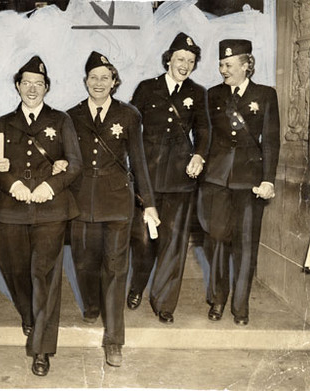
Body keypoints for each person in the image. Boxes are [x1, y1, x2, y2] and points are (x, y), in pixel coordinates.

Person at [0, 55, 82, 376]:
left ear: (46, 88)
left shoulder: (60, 121)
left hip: (50, 210)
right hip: (12, 211)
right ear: (17, 86)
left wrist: (50, 186)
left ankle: (41, 348)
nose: (32, 89)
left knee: (45, 274)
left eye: (38, 84)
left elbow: (75, 163)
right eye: (26, 83)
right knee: (13, 268)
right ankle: (28, 313)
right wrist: (10, 183)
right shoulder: (3, 123)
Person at [67, 51, 159, 367]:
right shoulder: (71, 115)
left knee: (116, 268)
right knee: (83, 262)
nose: (99, 83)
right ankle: (92, 304)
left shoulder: (129, 115)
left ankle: (114, 340)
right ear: (86, 81)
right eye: (93, 77)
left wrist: (148, 204)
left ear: (114, 82)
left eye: (105, 78)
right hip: (81, 202)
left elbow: (140, 161)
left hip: (118, 201)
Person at [126, 32, 210, 324]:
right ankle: (137, 285)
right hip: (147, 176)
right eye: (180, 59)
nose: (184, 65)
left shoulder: (198, 93)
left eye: (190, 60)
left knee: (174, 241)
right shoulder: (147, 89)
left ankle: (164, 302)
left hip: (179, 177)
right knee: (143, 241)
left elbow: (204, 130)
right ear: (169, 60)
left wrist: (199, 155)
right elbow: (130, 127)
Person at [198, 39, 280, 326]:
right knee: (217, 240)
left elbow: (270, 141)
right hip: (217, 179)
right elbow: (205, 136)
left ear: (247, 65)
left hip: (250, 180)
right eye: (221, 64)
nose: (223, 70)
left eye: (229, 65)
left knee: (246, 244)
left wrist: (268, 179)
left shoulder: (266, 95)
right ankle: (218, 299)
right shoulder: (212, 95)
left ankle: (241, 306)